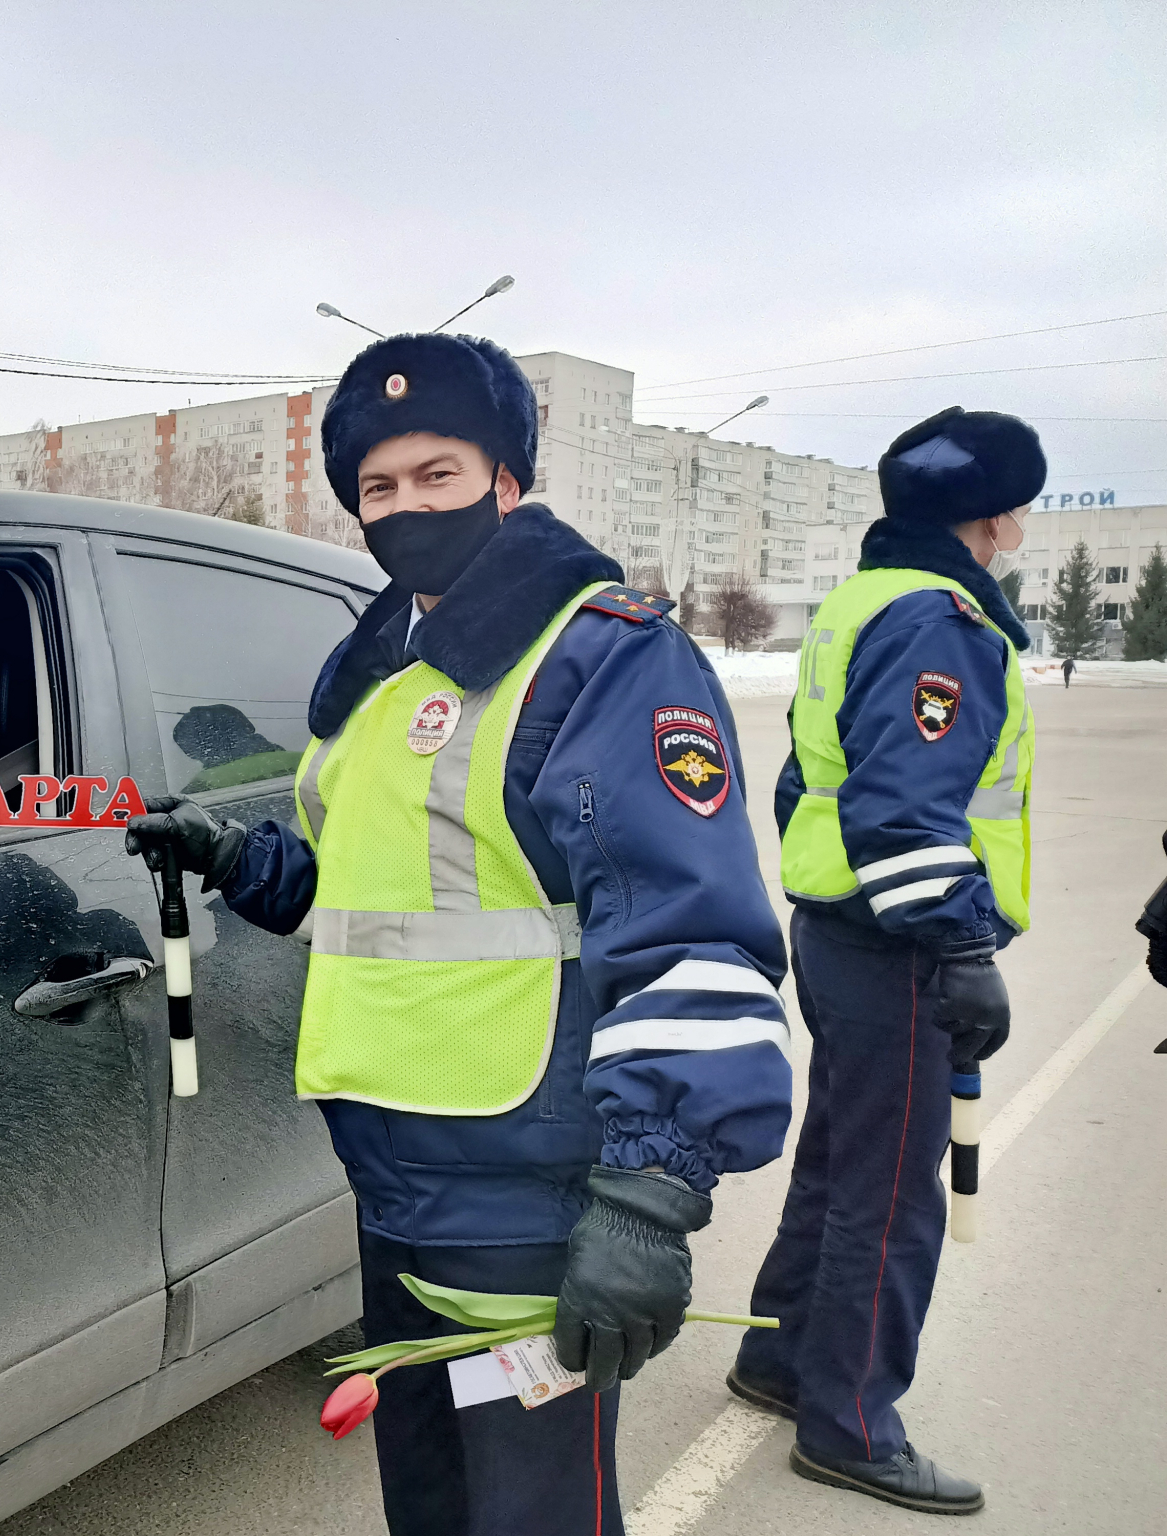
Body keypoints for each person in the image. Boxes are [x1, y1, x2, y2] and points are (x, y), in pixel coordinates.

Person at [126, 333, 793, 1536]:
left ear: (506, 479)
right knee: (429, 1493)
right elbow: (391, 893)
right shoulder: (385, 678)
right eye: (377, 488)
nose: (404, 508)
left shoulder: (600, 655)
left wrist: (649, 1192)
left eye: (436, 475)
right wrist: (245, 864)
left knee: (529, 1512)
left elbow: (686, 931)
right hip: (392, 1168)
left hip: (524, 1190)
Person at [731, 407, 1043, 1516]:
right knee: (891, 1191)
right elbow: (906, 810)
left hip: (840, 926)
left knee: (837, 1157)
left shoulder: (859, 601)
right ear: (997, 517)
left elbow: (804, 782)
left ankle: (777, 1357)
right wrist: (961, 946)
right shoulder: (942, 620)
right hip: (895, 940)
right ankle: (851, 1420)